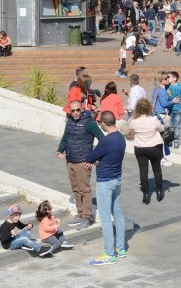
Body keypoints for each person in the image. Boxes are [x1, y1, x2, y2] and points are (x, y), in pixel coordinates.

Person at [85, 111, 127, 265]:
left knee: (105, 218)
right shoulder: (121, 138)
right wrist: (100, 161)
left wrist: (96, 162)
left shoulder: (106, 141)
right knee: (117, 213)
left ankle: (109, 254)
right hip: (117, 180)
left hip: (105, 182)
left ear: (103, 123)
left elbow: (90, 157)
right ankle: (121, 248)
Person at [56, 99, 104, 230]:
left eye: (78, 110)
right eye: (73, 111)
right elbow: (65, 138)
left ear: (82, 109)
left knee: (85, 190)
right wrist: (60, 150)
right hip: (70, 161)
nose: (76, 113)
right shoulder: (70, 122)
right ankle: (79, 213)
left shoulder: (89, 123)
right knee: (76, 189)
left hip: (83, 162)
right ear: (69, 111)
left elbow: (102, 140)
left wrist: (93, 158)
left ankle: (86, 217)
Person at [129, 98, 165, 204]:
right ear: (149, 108)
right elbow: (162, 129)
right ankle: (159, 192)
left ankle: (145, 194)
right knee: (157, 169)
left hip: (140, 148)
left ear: (138, 109)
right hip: (154, 147)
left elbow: (128, 129)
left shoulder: (133, 121)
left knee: (143, 171)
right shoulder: (153, 120)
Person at [167, 71, 181, 148]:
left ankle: (176, 141)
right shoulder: (167, 87)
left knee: (176, 126)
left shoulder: (180, 86)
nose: (167, 78)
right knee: (169, 126)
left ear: (175, 78)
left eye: (169, 77)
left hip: (177, 110)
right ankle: (168, 141)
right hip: (169, 110)